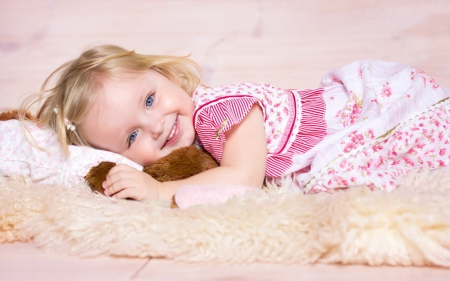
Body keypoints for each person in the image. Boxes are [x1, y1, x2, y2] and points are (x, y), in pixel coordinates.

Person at [17, 44, 450, 202]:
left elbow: (243, 178)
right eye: (131, 136)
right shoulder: (190, 143)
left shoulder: (217, 109)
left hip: (367, 107)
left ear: (166, 74)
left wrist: (160, 190)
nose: (155, 126)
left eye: (150, 99)